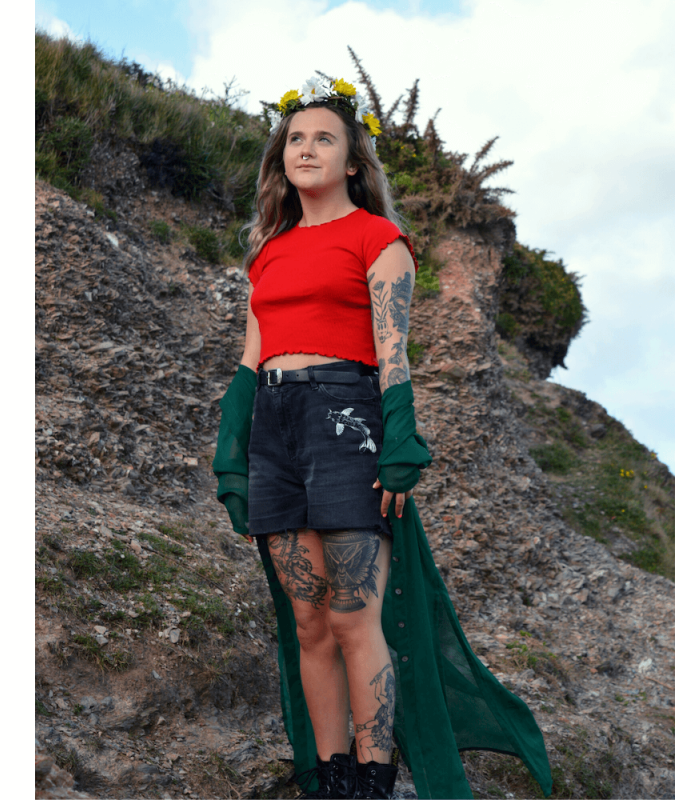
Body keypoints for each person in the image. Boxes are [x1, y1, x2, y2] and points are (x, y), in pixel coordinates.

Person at [214, 77, 553, 800]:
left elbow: (393, 355)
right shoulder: (267, 252)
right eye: (295, 139)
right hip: (273, 428)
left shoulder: (379, 238)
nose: (306, 148)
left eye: (323, 138)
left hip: (345, 419)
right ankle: (330, 779)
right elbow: (248, 363)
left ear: (354, 162)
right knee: (308, 622)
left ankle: (374, 779)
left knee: (351, 613)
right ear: (282, 158)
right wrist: (230, 455)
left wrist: (401, 444)